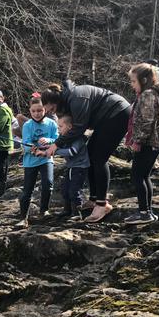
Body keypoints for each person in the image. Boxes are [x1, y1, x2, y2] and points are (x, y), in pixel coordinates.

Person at [41, 80, 131, 223]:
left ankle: (102, 204)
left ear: (56, 102)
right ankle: (94, 199)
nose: (53, 113)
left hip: (118, 113)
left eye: (51, 110)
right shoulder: (69, 99)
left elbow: (79, 128)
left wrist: (56, 145)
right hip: (106, 119)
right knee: (90, 155)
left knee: (99, 159)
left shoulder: (77, 98)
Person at [124, 63, 159, 224]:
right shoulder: (154, 93)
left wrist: (137, 140)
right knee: (144, 176)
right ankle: (148, 211)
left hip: (148, 142)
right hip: (154, 142)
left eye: (133, 81)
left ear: (143, 80)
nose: (132, 85)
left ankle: (144, 212)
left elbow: (146, 121)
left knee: (138, 175)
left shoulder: (148, 95)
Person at [38, 114, 89, 220]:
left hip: (79, 168)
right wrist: (46, 148)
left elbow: (71, 152)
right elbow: (56, 144)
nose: (58, 129)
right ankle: (67, 210)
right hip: (71, 167)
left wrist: (54, 151)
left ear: (70, 127)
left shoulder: (78, 138)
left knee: (74, 190)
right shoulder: (64, 138)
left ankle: (77, 213)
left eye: (60, 126)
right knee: (65, 189)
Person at [17, 97, 58, 227]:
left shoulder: (51, 124)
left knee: (48, 183)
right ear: (30, 111)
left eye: (39, 110)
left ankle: (44, 210)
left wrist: (49, 140)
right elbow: (26, 143)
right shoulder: (28, 125)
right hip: (30, 161)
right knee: (27, 190)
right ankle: (23, 218)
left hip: (46, 159)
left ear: (44, 109)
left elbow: (58, 139)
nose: (37, 113)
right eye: (34, 111)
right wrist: (33, 149)